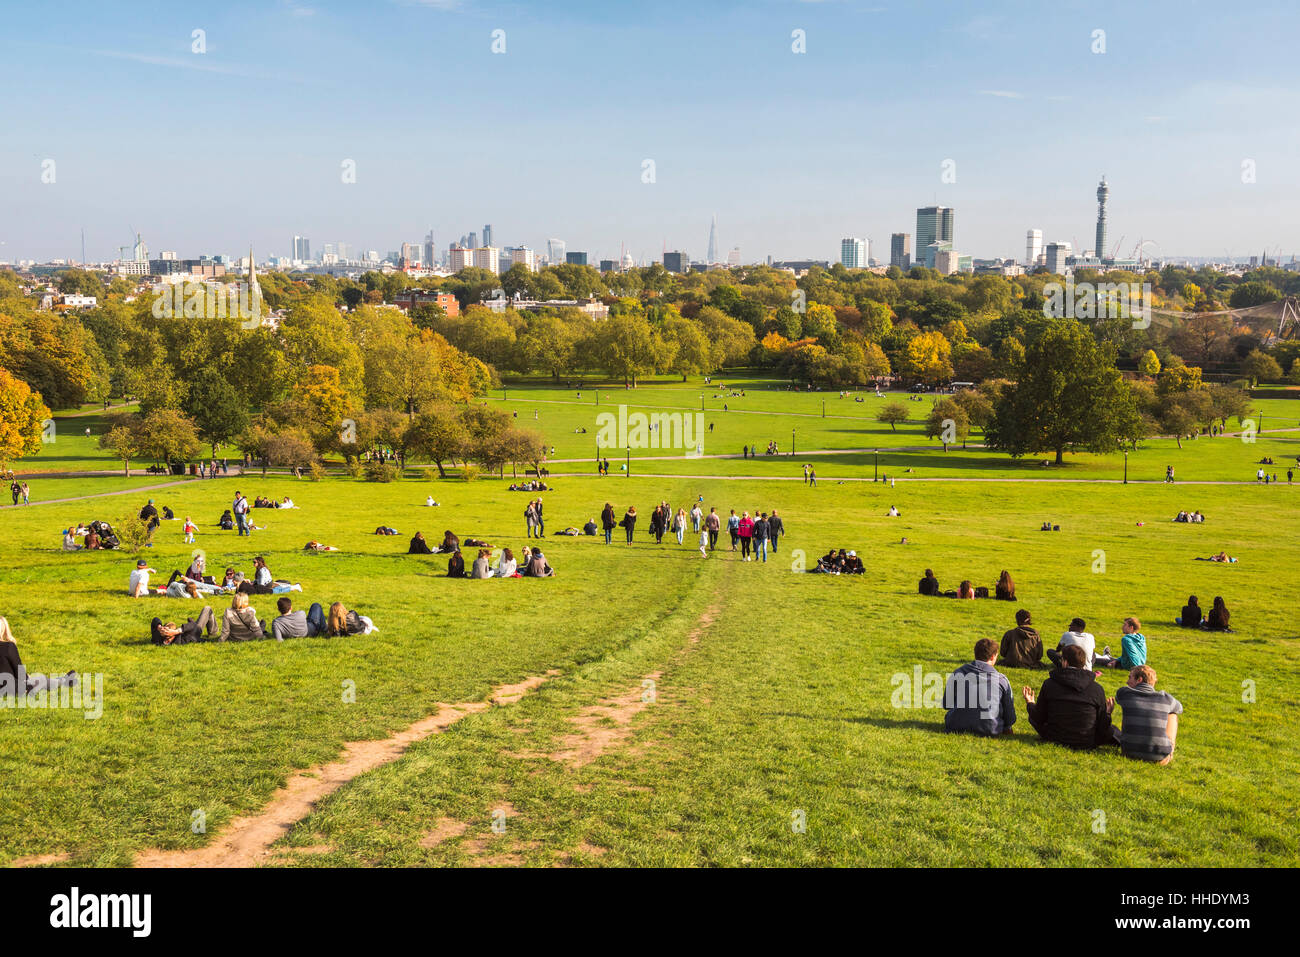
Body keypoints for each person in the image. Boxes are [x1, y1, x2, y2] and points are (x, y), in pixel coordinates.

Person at [1022, 644, 1111, 750]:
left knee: (1032, 717)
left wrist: (1030, 704)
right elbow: (1102, 724)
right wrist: (1108, 714)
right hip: (1086, 740)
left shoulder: (1049, 684)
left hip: (1054, 737)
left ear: (1065, 662)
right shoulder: (1097, 689)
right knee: (1111, 729)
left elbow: (1039, 717)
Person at [943, 638, 1016, 737]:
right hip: (990, 728)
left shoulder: (958, 672)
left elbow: (946, 704)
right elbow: (1009, 716)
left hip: (955, 725)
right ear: (993, 656)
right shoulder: (1001, 680)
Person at [1111, 665, 1183, 765]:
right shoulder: (1166, 699)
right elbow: (1179, 708)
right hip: (1158, 756)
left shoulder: (1124, 693)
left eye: (1130, 677)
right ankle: (1169, 750)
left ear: (1139, 679)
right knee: (1172, 713)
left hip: (1128, 751)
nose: (1127, 682)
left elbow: (1119, 698)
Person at [1, 617, 78, 694]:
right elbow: (20, 672)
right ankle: (64, 681)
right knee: (42, 679)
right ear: (4, 630)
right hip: (14, 689)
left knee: (39, 679)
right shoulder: (8, 646)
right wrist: (27, 678)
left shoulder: (8, 647)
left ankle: (64, 680)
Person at [150, 607, 217, 645]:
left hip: (190, 628)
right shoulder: (182, 640)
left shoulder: (157, 637)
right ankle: (213, 633)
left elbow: (155, 620)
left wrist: (159, 627)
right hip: (196, 630)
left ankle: (191, 621)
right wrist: (177, 631)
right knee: (207, 609)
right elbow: (194, 626)